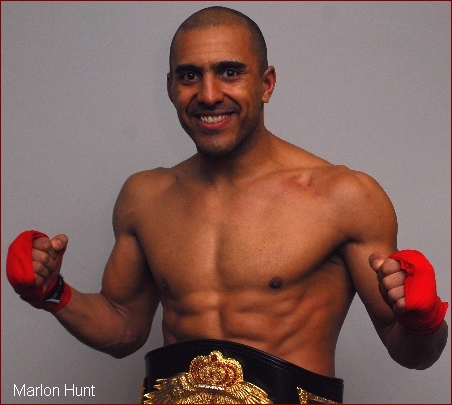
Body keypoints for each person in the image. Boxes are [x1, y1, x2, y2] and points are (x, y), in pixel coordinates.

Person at [6, 6, 448, 404]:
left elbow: (412, 353)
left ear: (266, 84)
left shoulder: (343, 196)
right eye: (189, 76)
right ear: (170, 87)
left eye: (230, 72)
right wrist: (52, 292)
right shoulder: (145, 197)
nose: (209, 94)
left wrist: (423, 321)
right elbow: (123, 328)